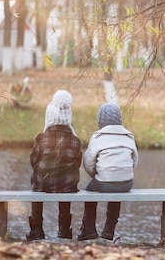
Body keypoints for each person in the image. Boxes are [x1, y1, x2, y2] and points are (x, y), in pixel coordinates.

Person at [78, 102, 138, 240]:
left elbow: (88, 162)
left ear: (100, 121)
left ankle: (89, 228)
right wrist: (123, 172)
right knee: (117, 187)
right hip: (126, 182)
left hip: (103, 181)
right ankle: (109, 229)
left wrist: (98, 174)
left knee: (89, 191)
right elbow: (134, 161)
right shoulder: (129, 136)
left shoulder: (98, 137)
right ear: (119, 119)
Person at [27, 90, 81, 241]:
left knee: (37, 186)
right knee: (67, 184)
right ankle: (64, 229)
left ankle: (36, 229)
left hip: (42, 182)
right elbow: (78, 162)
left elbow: (33, 161)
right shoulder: (75, 140)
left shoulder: (41, 138)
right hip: (68, 184)